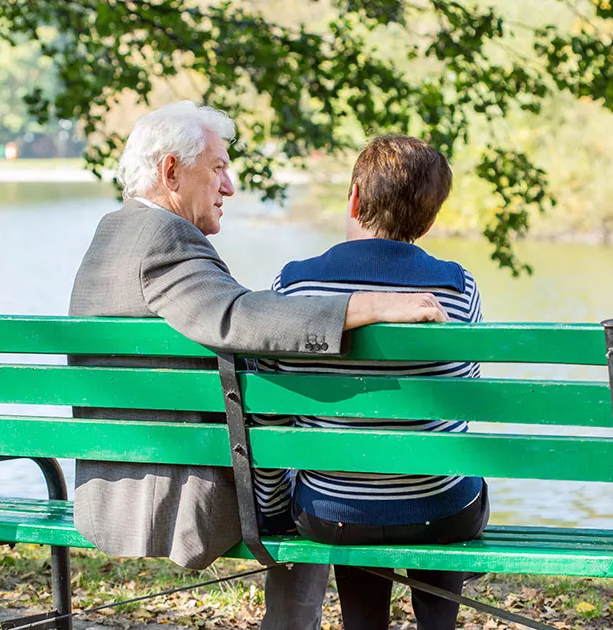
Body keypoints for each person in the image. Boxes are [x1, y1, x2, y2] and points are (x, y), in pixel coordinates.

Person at [67, 103, 450, 630]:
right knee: (301, 469)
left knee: (292, 447)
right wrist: (368, 305)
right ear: (170, 171)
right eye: (218, 167)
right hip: (172, 492)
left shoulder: (114, 233)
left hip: (118, 476)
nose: (229, 186)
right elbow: (236, 315)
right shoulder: (164, 241)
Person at [253, 135, 490, 630]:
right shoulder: (457, 287)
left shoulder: (294, 284)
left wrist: (274, 509)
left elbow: (270, 409)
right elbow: (461, 401)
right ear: (428, 219)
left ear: (355, 199)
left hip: (331, 511)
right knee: (449, 478)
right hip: (439, 509)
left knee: (352, 500)